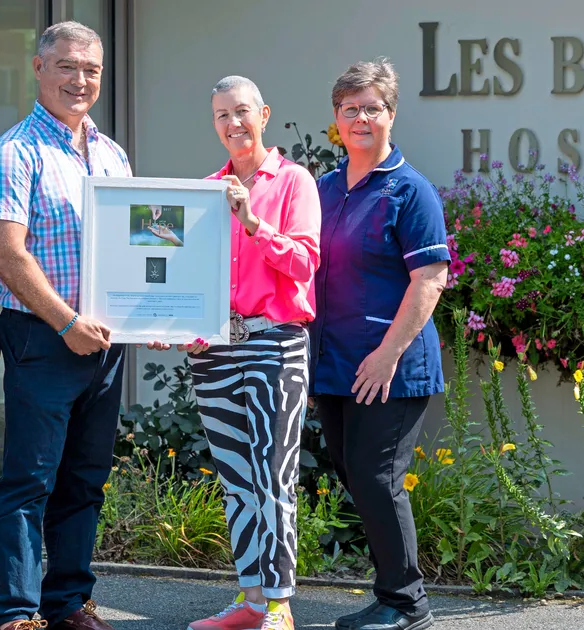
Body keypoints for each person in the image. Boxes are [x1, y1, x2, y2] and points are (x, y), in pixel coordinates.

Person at [0, 21, 130, 630]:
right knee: (29, 479)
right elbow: (7, 255)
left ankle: (68, 603)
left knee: (86, 478)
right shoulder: (12, 153)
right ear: (39, 69)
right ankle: (14, 611)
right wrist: (65, 322)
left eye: (90, 69)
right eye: (66, 66)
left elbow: (137, 250)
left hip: (105, 343)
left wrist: (154, 314)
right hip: (44, 336)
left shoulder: (113, 154)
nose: (79, 79)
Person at [149, 75, 321, 630]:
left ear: (264, 114)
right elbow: (181, 277)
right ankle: (250, 601)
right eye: (222, 115)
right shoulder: (203, 191)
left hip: (275, 344)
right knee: (236, 479)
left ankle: (279, 605)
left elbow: (304, 264)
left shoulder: (294, 182)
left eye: (242, 112)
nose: (233, 124)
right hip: (216, 352)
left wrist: (251, 222)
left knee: (275, 474)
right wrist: (165, 321)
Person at [310, 59, 450, 630]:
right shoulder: (322, 189)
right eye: (351, 109)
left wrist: (388, 352)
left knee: (377, 476)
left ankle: (406, 602)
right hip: (336, 361)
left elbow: (430, 279)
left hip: (390, 364)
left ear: (391, 116)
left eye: (373, 108)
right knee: (354, 474)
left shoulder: (410, 191)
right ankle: (391, 592)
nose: (362, 118)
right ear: (337, 121)